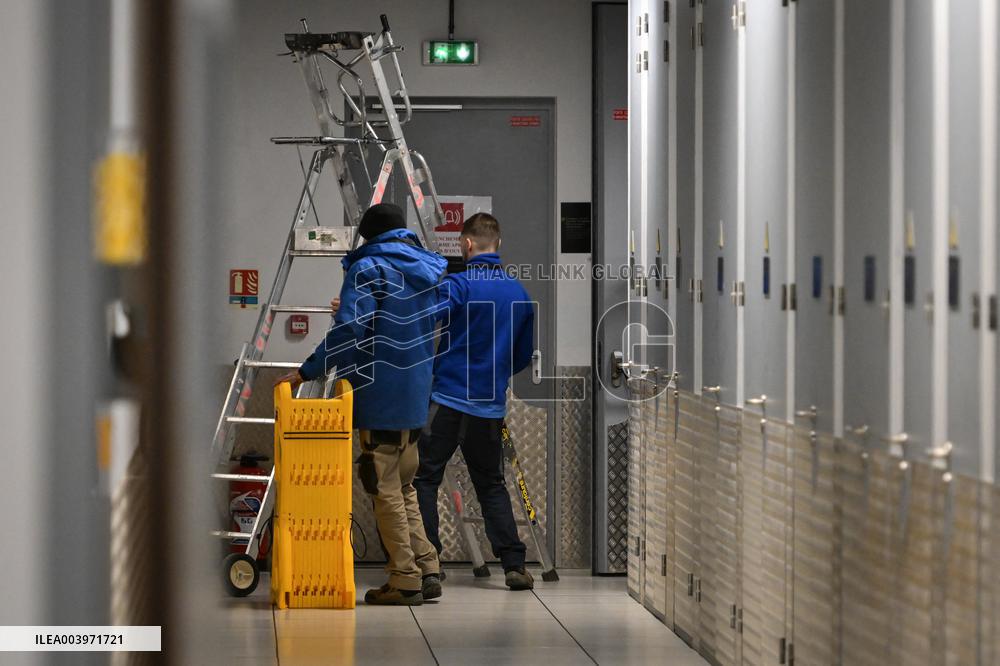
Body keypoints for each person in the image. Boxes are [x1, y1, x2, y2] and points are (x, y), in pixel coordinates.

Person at [277, 203, 447, 606]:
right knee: (403, 484)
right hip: (415, 393)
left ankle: (404, 578)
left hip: (380, 392)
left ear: (369, 237)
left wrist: (308, 369)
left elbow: (353, 329)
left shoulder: (368, 268)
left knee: (382, 484)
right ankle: (427, 564)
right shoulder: (426, 269)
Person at [413, 213, 537, 591]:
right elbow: (522, 355)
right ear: (497, 244)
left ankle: (428, 565)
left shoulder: (458, 285)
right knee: (491, 484)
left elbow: (422, 322)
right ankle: (514, 564)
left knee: (424, 479)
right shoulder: (518, 293)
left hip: (447, 399)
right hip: (489, 404)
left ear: (467, 245)